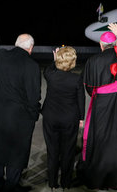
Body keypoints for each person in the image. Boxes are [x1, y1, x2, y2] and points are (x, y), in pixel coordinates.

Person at [0, 31, 41, 192]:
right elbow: (34, 97)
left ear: (16, 44)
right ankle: (11, 185)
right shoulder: (31, 66)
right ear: (31, 48)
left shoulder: (2, 56)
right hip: (19, 117)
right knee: (16, 153)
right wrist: (33, 115)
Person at [76, 23, 117, 190]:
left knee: (101, 138)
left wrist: (99, 95)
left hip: (102, 102)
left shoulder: (93, 61)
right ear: (115, 44)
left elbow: (88, 86)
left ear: (101, 45)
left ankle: (99, 176)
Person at [41, 46, 85, 191]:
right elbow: (81, 99)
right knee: (68, 152)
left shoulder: (50, 75)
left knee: (52, 151)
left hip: (51, 117)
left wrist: (55, 60)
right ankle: (66, 182)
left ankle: (53, 182)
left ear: (58, 60)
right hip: (69, 118)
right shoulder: (76, 79)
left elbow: (47, 70)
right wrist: (81, 117)